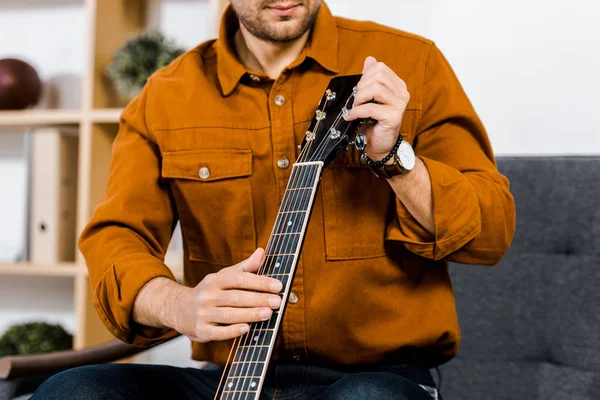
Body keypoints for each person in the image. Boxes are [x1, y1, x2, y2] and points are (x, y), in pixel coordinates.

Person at [31, 1, 516, 399]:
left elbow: (491, 232)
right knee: (75, 391)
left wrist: (394, 158)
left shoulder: (412, 64)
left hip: (375, 379)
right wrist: (178, 303)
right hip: (231, 378)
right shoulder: (165, 95)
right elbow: (116, 237)